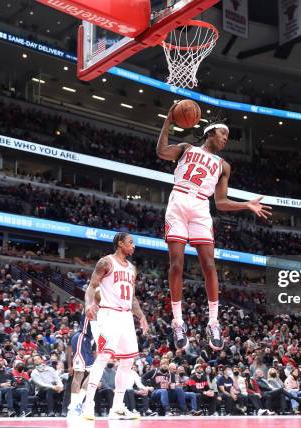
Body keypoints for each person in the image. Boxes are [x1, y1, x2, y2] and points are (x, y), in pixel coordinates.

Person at [156, 106, 271, 350]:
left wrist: (246, 205)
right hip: (178, 200)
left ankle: (213, 322)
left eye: (227, 138)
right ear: (211, 133)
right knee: (176, 264)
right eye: (223, 135)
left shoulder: (224, 166)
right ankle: (178, 322)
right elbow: (161, 151)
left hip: (201, 207)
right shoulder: (187, 149)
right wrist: (168, 119)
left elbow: (220, 203)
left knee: (209, 264)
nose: (225, 140)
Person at [81, 233, 149, 420]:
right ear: (120, 244)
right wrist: (88, 304)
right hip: (108, 314)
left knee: (127, 361)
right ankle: (88, 405)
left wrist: (141, 316)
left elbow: (132, 298)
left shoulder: (133, 269)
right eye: (130, 243)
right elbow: (91, 286)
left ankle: (117, 407)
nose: (133, 246)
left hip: (126, 317)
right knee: (103, 357)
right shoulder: (106, 262)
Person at [66, 314, 96, 417]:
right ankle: (74, 406)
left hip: (90, 340)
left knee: (94, 375)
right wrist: (70, 365)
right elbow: (68, 349)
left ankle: (78, 402)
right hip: (81, 337)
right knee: (79, 374)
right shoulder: (92, 302)